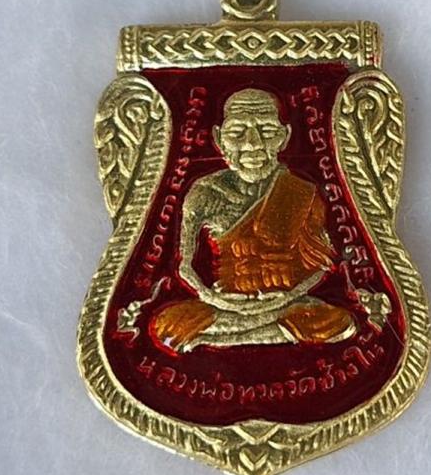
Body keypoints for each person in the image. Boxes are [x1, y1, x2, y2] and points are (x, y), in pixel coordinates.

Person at [150, 88, 357, 352]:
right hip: (225, 303)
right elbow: (184, 267)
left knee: (339, 322)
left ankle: (224, 338)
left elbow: (321, 266)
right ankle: (259, 331)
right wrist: (216, 299)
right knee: (168, 325)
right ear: (218, 138)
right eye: (237, 132)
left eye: (267, 131)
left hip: (285, 303)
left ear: (284, 137)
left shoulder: (301, 192)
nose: (252, 144)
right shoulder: (204, 192)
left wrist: (286, 298)